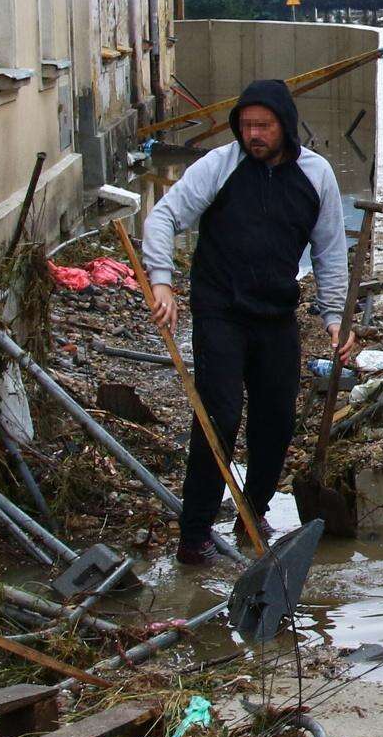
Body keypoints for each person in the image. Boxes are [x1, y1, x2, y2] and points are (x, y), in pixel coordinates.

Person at [141, 79, 355, 566]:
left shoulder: (315, 176)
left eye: (264, 126)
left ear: (286, 125)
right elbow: (163, 217)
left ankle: (251, 513)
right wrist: (161, 280)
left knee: (275, 420)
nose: (253, 135)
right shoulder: (220, 166)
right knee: (217, 418)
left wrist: (335, 317)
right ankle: (193, 537)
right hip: (220, 309)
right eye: (246, 125)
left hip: (276, 313)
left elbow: (329, 252)